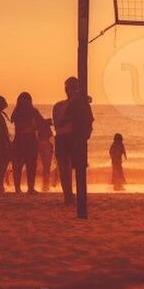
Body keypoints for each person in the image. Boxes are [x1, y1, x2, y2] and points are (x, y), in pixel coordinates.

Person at [53, 77, 94, 206]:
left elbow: (89, 122)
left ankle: (70, 195)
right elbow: (59, 124)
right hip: (66, 137)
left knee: (74, 168)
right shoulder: (62, 105)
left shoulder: (79, 105)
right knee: (66, 169)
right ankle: (68, 196)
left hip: (71, 137)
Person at [9, 92, 41, 193]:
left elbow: (12, 120)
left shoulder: (16, 111)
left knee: (19, 165)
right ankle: (29, 188)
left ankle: (19, 188)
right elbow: (40, 121)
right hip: (29, 139)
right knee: (29, 165)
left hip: (20, 140)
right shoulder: (32, 110)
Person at [37, 115, 56, 191]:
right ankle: (45, 185)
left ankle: (44, 185)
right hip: (46, 146)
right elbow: (51, 137)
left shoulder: (39, 128)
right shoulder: (46, 129)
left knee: (44, 166)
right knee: (46, 166)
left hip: (40, 145)